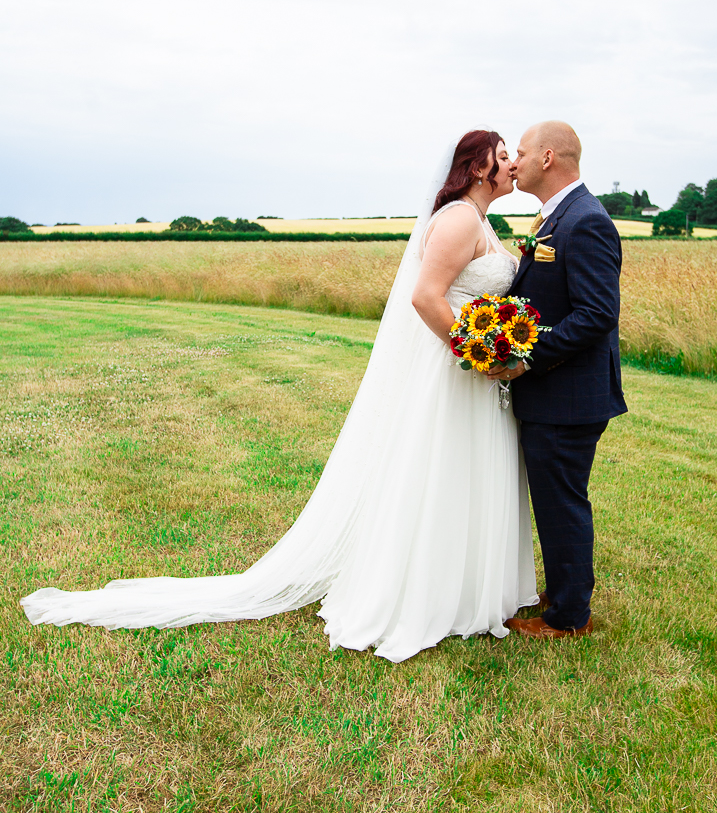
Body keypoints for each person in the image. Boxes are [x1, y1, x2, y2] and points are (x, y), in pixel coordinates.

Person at [21, 130, 538, 663]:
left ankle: (469, 587)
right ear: (478, 167)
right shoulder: (456, 219)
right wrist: (478, 350)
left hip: (471, 369)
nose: (511, 165)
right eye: (503, 157)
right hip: (452, 369)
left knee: (463, 472)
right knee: (438, 473)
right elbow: (425, 297)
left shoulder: (481, 221)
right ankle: (427, 595)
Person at [487, 121, 627, 639]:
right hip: (555, 394)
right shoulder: (555, 217)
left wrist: (526, 358)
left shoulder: (585, 221)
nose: (513, 162)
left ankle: (568, 617)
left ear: (547, 158)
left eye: (520, 153)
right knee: (556, 497)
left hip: (568, 395)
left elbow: (596, 315)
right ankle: (566, 591)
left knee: (562, 501)